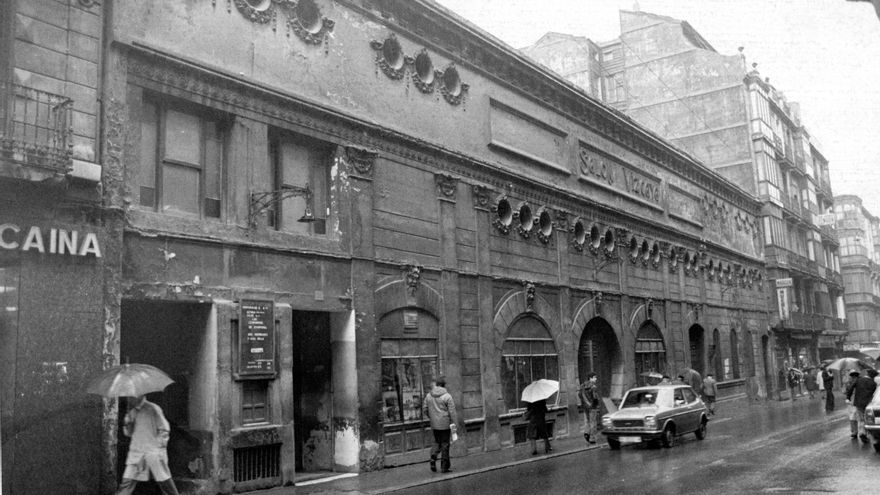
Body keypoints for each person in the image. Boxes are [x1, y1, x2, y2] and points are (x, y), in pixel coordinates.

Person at [116, 395, 180, 495]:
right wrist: (128, 423)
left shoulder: (153, 409)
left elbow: (164, 429)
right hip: (136, 453)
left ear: (140, 395)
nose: (130, 399)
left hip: (153, 452)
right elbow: (128, 434)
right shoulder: (132, 413)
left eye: (132, 396)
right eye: (129, 397)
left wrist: (159, 446)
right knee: (126, 483)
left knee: (165, 483)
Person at [423, 376, 458, 473]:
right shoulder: (447, 396)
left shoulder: (429, 395)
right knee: (445, 444)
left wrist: (432, 418)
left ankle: (433, 458)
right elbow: (452, 412)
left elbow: (425, 409)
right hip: (445, 424)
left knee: (436, 442)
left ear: (437, 385)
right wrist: (455, 424)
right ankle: (444, 467)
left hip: (434, 424)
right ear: (443, 385)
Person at [845, 369, 878, 442]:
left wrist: (848, 397)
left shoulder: (859, 380)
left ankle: (862, 432)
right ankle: (865, 433)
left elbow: (851, 388)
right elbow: (875, 395)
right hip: (868, 404)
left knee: (861, 419)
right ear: (873, 376)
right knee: (867, 419)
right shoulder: (873, 383)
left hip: (858, 403)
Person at [579, 372, 600, 444]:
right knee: (593, 422)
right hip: (592, 407)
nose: (596, 379)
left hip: (585, 407)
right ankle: (592, 438)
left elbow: (580, 395)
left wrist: (585, 404)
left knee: (588, 421)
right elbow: (595, 397)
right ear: (590, 378)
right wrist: (596, 404)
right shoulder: (593, 387)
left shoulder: (582, 386)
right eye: (595, 377)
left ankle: (586, 432)